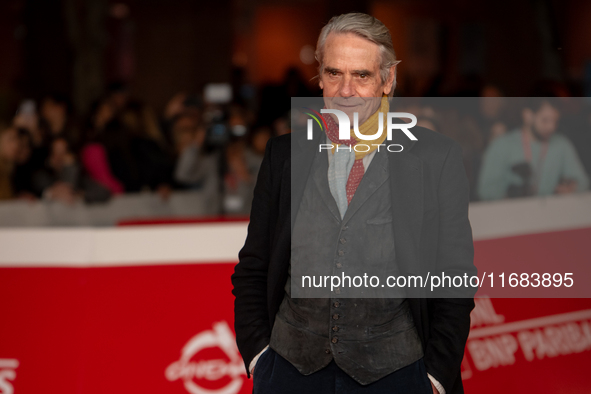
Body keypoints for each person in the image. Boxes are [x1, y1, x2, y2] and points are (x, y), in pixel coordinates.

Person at [231, 13, 477, 394]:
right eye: (334, 73)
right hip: (288, 369)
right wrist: (259, 355)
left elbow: (455, 275)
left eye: (361, 75)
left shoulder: (434, 158)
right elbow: (255, 263)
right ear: (319, 77)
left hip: (397, 373)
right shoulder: (285, 155)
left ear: (387, 79)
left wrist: (436, 375)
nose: (345, 90)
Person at [478, 98, 589, 200]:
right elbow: (485, 190)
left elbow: (583, 181)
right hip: (511, 213)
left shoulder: (562, 144)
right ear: (528, 116)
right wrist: (510, 195)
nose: (551, 127)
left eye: (555, 121)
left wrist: (573, 188)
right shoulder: (501, 145)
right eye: (545, 120)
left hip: (551, 211)